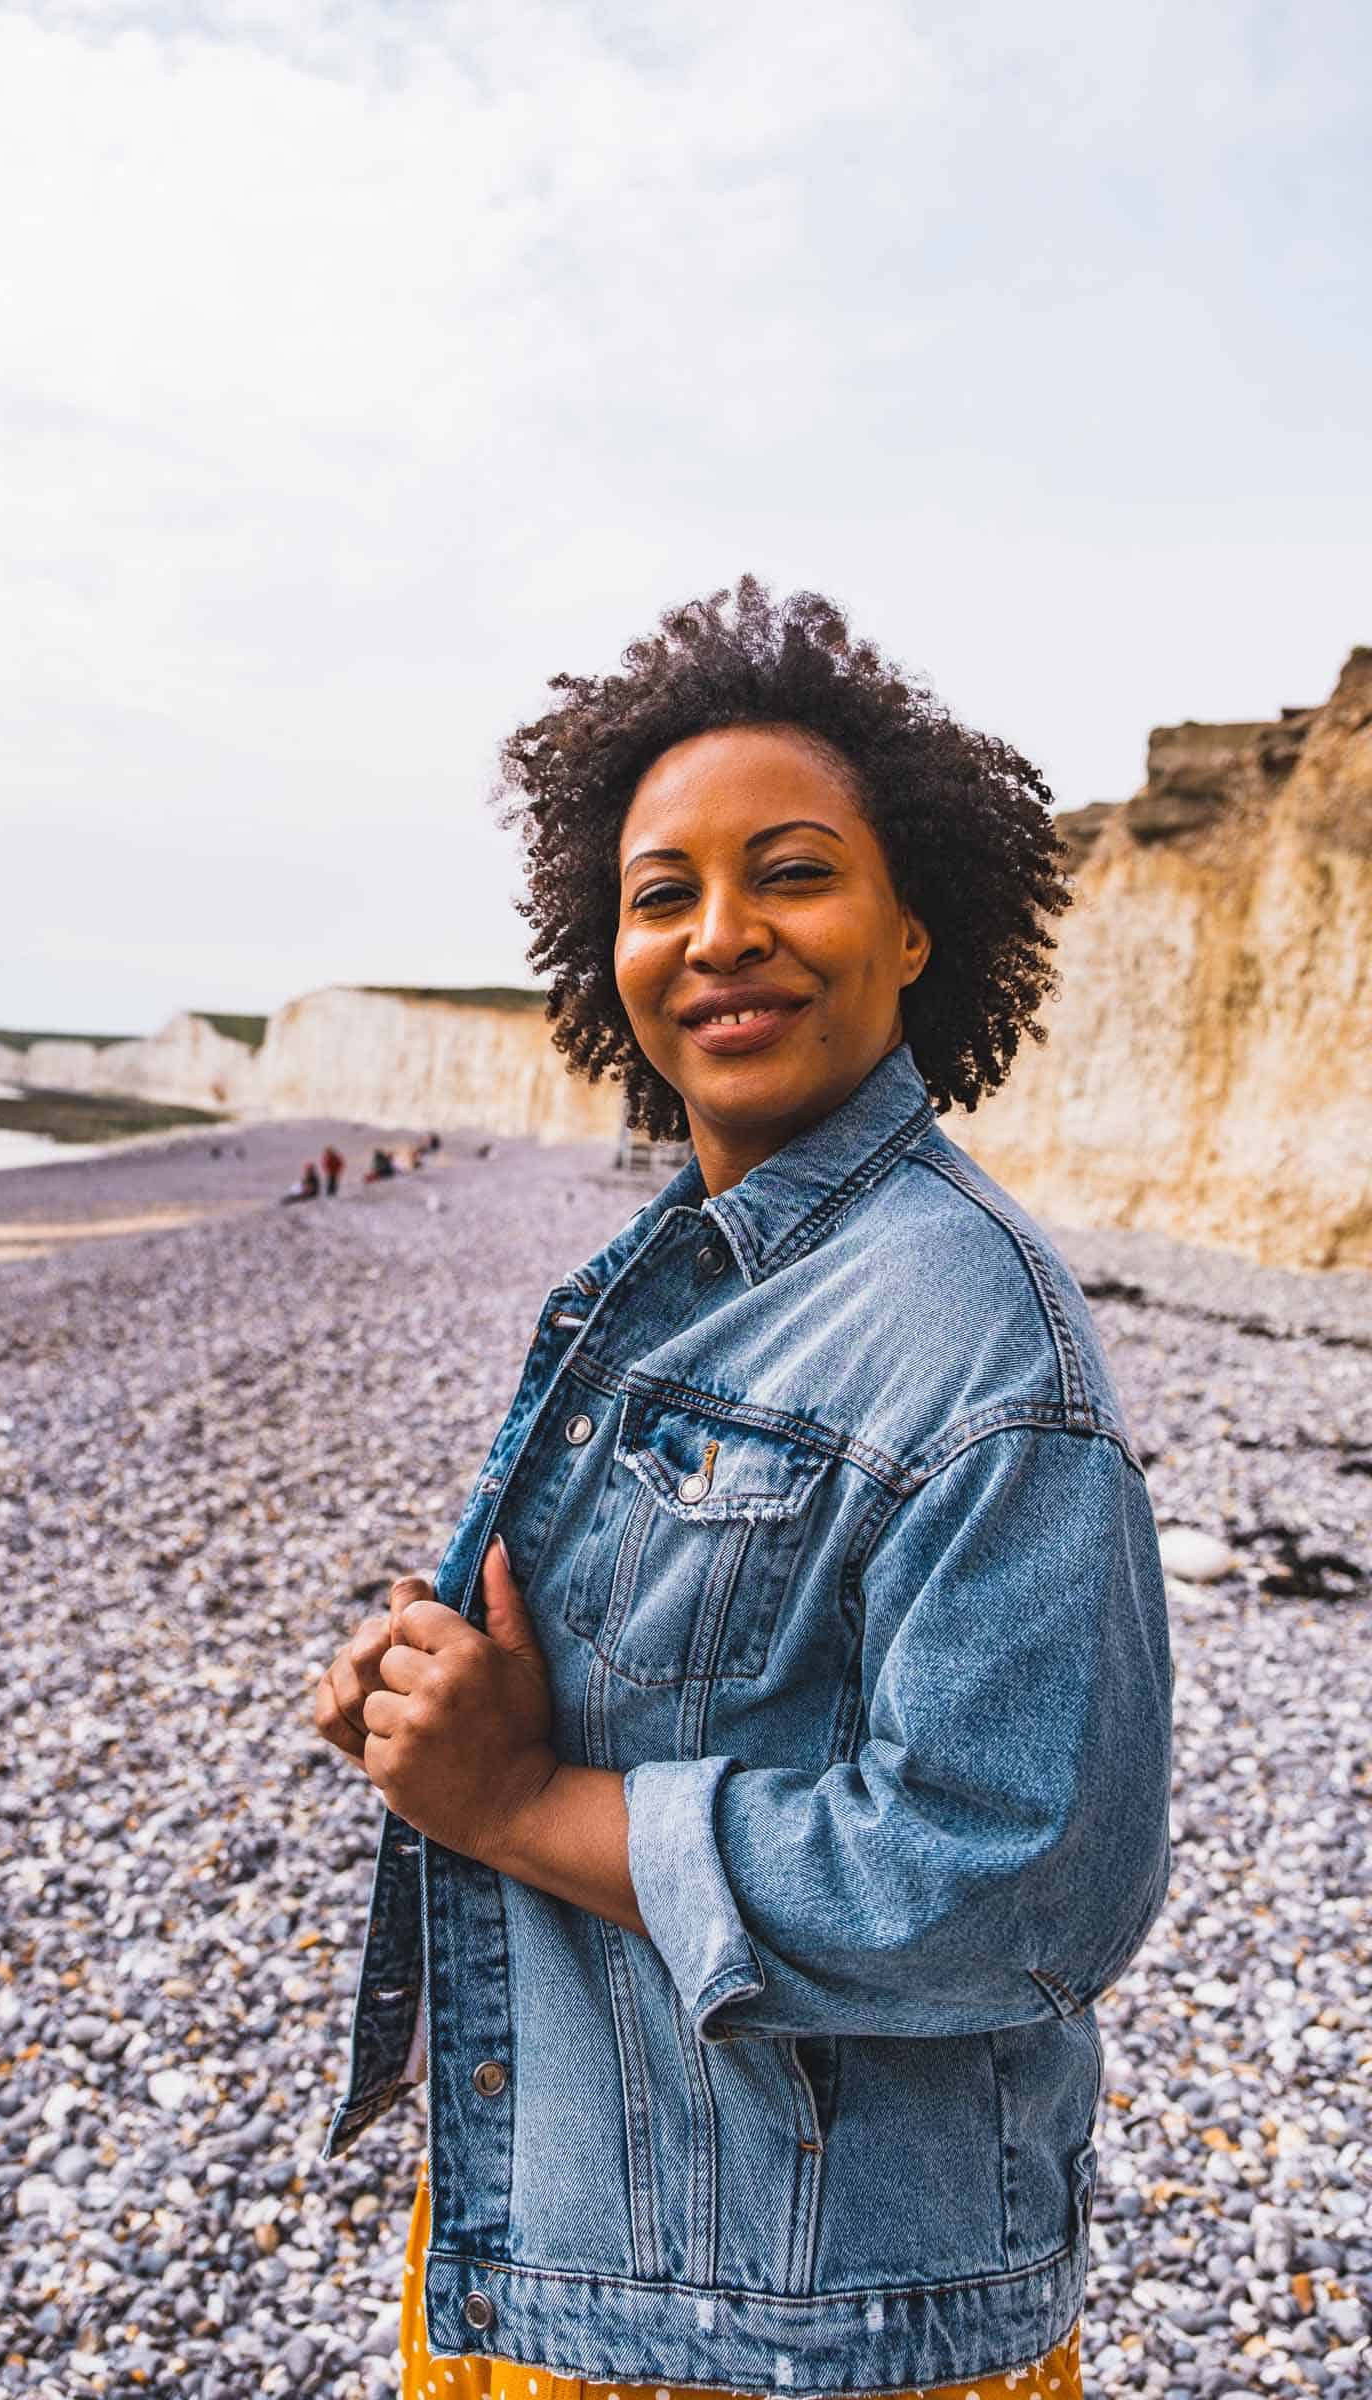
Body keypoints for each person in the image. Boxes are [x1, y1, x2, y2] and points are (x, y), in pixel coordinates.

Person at [316, 580, 1173, 2400]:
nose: (721, 937)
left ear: (918, 923)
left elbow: (1021, 1883)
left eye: (793, 874)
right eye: (662, 893)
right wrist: (434, 1689)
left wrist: (519, 1796)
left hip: (808, 2333)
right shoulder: (698, 1265)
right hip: (602, 2237)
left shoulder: (972, 1333)